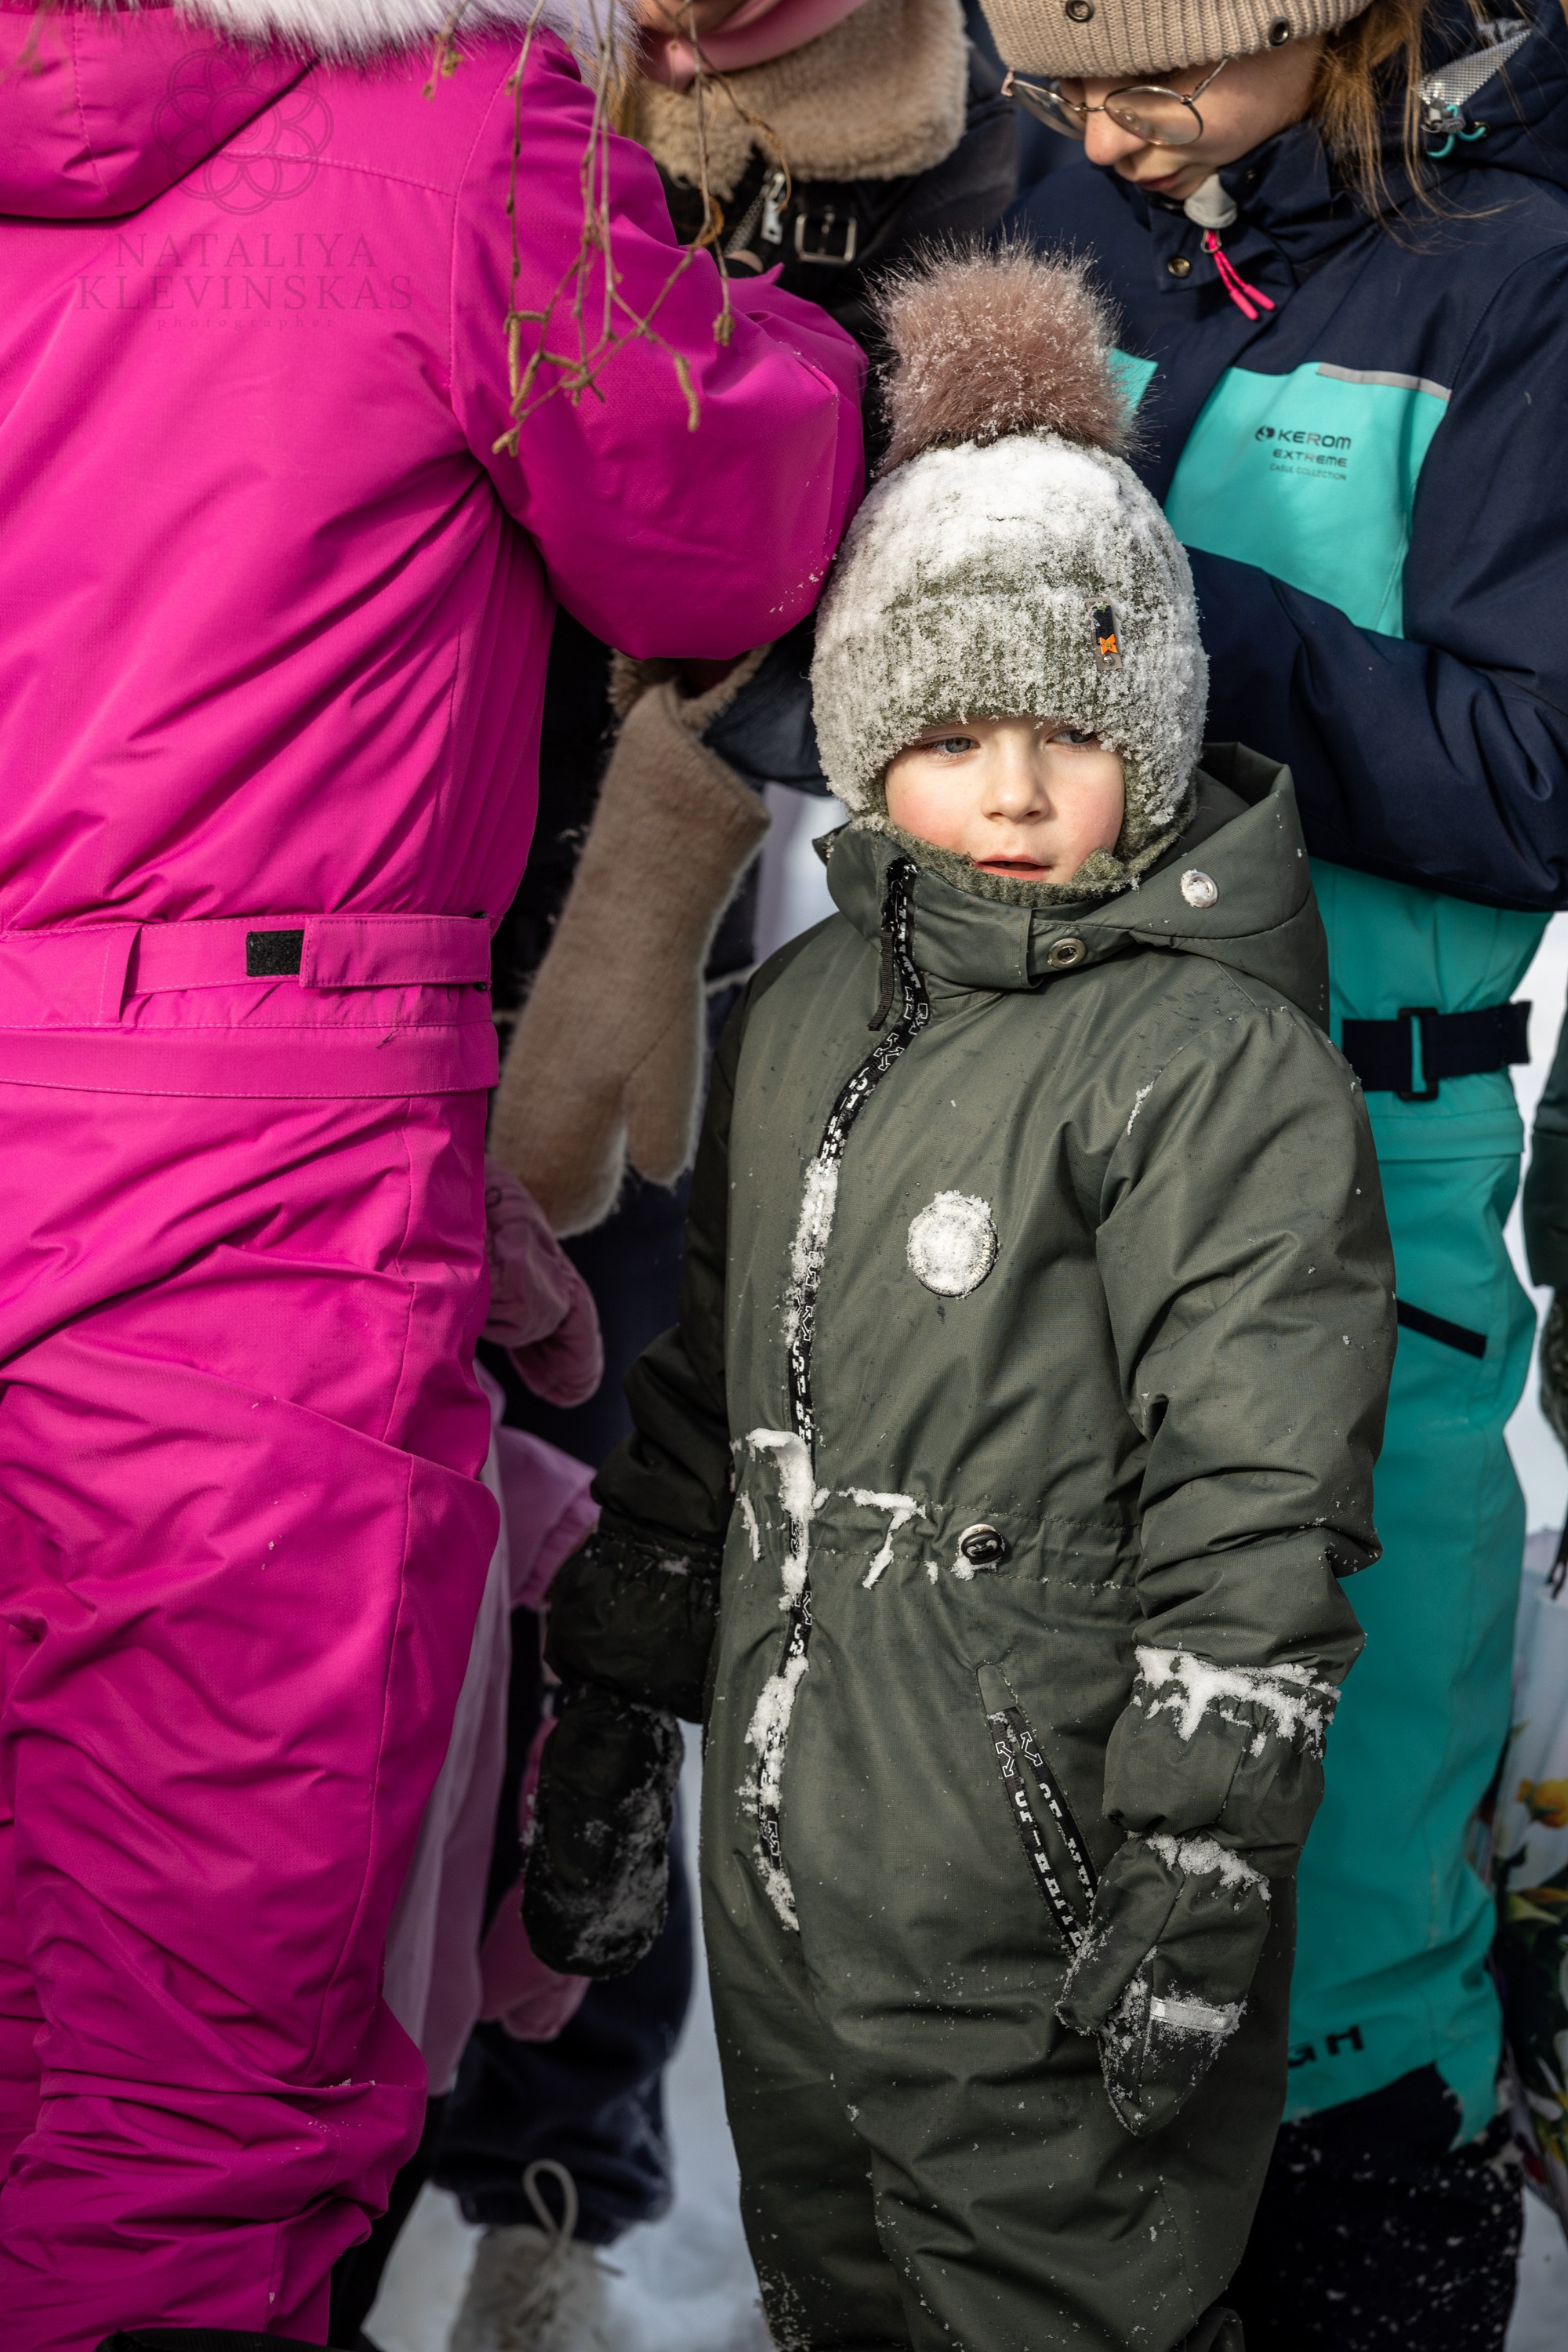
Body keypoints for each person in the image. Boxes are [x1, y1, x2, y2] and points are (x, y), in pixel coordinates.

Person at [0, 0, 865, 2341]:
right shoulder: (455, 123)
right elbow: (717, 517)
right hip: (245, 1167)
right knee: (196, 2044)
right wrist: (798, 331)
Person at [522, 248, 1396, 2349]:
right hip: (799, 1875)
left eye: (1071, 731)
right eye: (953, 732)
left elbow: (1260, 1489)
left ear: (1155, 736)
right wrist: (628, 1680)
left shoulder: (1205, 1061)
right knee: (837, 2286)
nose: (1013, 790)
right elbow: (711, 1372)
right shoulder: (812, 1000)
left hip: (1051, 1885)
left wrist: (1197, 1860)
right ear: (863, 735)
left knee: (1051, 2299)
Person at [995, 1, 1568, 2336]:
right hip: (1038, 1147)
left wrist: (1172, 628)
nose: (1102, 134)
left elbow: (1533, 775)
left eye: (1148, 81)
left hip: (1362, 1151)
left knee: (1334, 1844)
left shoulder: (1511, 277)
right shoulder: (1073, 231)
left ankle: (1382, 2220)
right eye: (1054, 91)